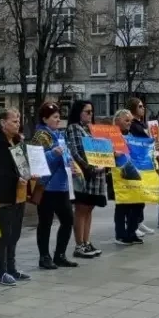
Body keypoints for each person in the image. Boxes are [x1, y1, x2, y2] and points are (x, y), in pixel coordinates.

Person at [0, 108, 31, 285]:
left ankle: (12, 268)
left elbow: (23, 164)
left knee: (15, 233)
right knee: (3, 234)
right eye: (14, 121)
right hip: (2, 195)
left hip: (19, 194)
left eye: (18, 120)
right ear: (3, 123)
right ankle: (2, 271)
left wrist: (28, 173)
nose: (18, 124)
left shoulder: (17, 141)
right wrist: (16, 178)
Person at [31, 102, 80, 268]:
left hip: (62, 186)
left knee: (68, 220)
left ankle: (60, 255)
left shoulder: (59, 134)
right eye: (55, 117)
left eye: (59, 117)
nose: (58, 120)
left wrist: (72, 166)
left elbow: (66, 155)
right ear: (45, 119)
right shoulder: (40, 136)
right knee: (45, 222)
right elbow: (37, 161)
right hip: (47, 186)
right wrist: (53, 153)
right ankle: (44, 257)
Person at [65, 99, 106, 259]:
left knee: (89, 209)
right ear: (78, 113)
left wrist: (107, 158)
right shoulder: (74, 128)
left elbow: (101, 148)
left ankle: (86, 242)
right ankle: (79, 245)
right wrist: (89, 168)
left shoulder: (90, 128)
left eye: (91, 111)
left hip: (97, 174)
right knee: (81, 209)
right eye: (87, 111)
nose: (91, 114)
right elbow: (75, 151)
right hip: (85, 175)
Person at [111, 110, 145, 245]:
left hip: (133, 172)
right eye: (126, 121)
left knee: (138, 203)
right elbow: (102, 153)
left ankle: (132, 231)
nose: (129, 123)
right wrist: (113, 154)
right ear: (118, 120)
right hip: (119, 174)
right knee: (123, 205)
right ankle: (120, 234)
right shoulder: (112, 135)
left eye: (130, 121)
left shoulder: (130, 135)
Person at [126, 98, 154, 237]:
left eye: (143, 106)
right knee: (136, 195)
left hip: (144, 160)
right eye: (140, 106)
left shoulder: (142, 123)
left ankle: (139, 221)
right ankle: (132, 223)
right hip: (136, 161)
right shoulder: (133, 125)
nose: (143, 109)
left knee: (142, 194)